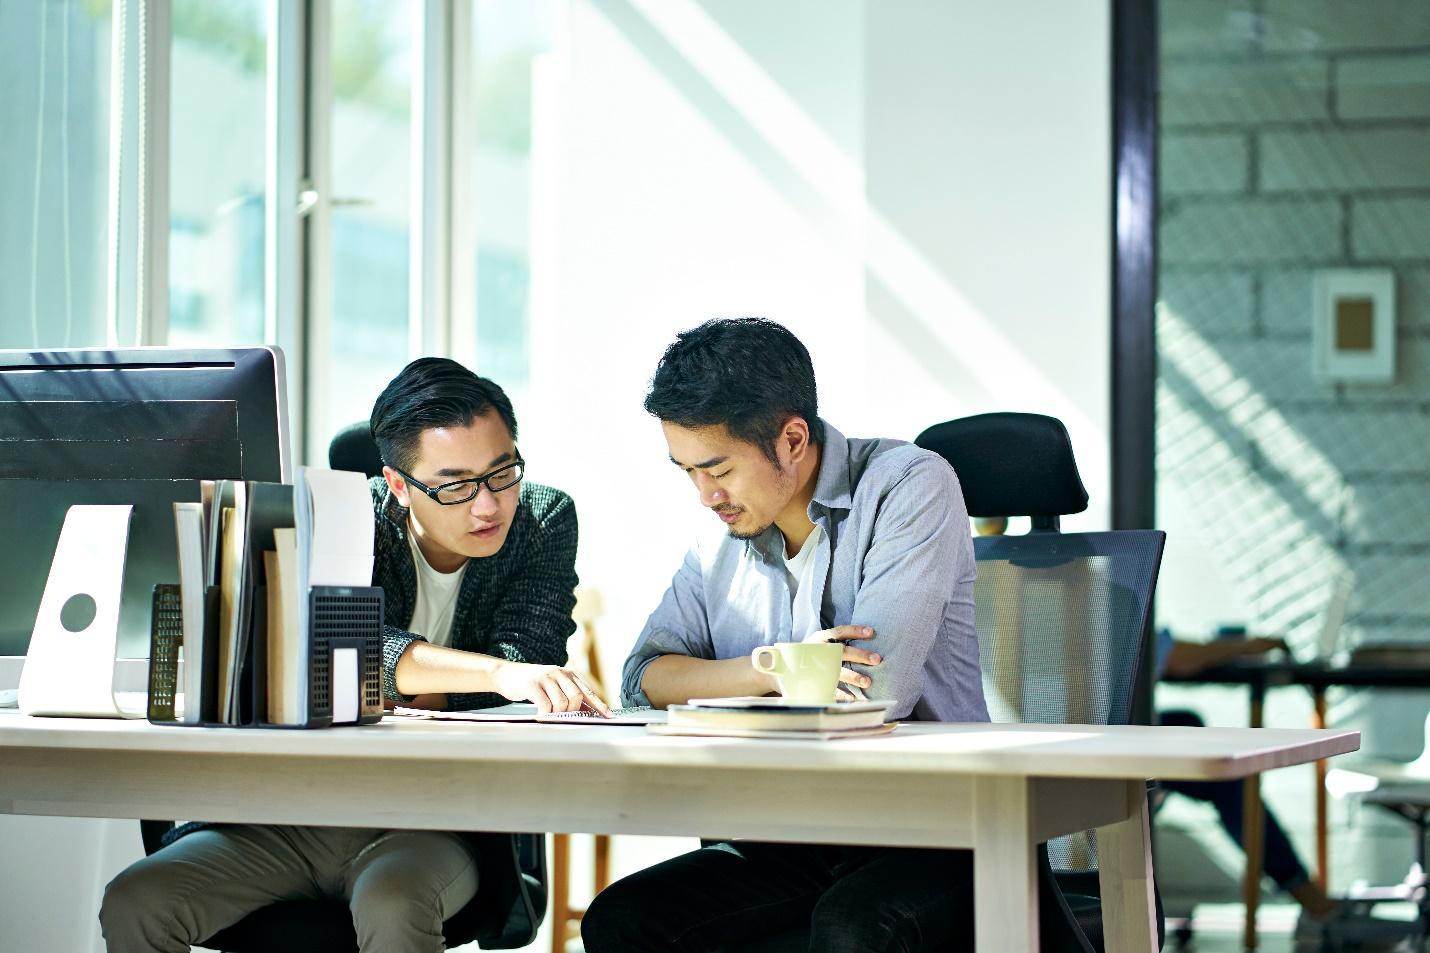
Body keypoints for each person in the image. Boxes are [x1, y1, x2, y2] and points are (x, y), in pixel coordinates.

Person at [99, 358, 608, 953]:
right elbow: (352, 648)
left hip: (434, 822)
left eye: (502, 473)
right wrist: (492, 673)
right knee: (138, 900)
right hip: (292, 817)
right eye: (455, 485)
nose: (488, 506)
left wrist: (428, 682)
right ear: (397, 484)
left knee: (394, 903)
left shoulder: (541, 519)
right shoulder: (346, 518)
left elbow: (529, 662)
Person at [581, 318, 989, 953]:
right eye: (686, 470)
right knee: (621, 919)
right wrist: (774, 670)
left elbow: (868, 691)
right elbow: (643, 680)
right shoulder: (722, 535)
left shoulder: (909, 485)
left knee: (855, 927)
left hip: (930, 834)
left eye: (717, 468)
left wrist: (707, 690)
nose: (704, 495)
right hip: (787, 834)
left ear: (792, 438)